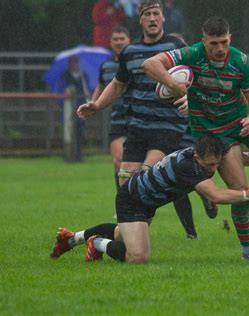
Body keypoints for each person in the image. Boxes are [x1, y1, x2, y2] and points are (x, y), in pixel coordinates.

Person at [143, 16, 249, 258]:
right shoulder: (192, 54)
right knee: (240, 191)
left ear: (231, 39)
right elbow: (150, 64)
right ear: (203, 41)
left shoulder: (240, 61)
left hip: (244, 121)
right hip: (213, 133)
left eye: (224, 42)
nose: (220, 49)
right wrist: (173, 84)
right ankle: (248, 251)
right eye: (214, 43)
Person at [78, 0, 204, 239]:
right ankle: (121, 238)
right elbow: (117, 84)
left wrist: (191, 97)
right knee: (126, 184)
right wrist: (97, 105)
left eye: (157, 13)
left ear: (163, 18)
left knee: (146, 180)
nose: (153, 18)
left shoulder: (176, 46)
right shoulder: (130, 52)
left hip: (167, 128)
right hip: (137, 129)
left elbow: (195, 75)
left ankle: (130, 241)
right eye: (148, 14)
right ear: (141, 19)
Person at [50, 136, 249, 263]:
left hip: (147, 202)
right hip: (132, 201)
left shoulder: (202, 158)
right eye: (210, 165)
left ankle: (71, 238)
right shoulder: (188, 166)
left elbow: (245, 158)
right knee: (137, 257)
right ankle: (96, 243)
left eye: (217, 164)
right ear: (197, 157)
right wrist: (247, 194)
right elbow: (215, 195)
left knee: (119, 235)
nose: (214, 169)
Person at [91, 26, 132, 190]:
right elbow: (101, 86)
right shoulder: (105, 66)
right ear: (110, 42)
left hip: (138, 117)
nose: (119, 42)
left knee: (138, 165)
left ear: (129, 40)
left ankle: (137, 199)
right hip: (118, 118)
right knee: (118, 160)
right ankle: (122, 202)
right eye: (115, 39)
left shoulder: (135, 61)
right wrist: (93, 105)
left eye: (122, 39)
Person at [58, 56, 91, 161]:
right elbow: (62, 88)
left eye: (76, 62)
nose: (74, 64)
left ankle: (78, 155)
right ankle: (68, 155)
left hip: (80, 106)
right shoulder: (65, 75)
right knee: (69, 130)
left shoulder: (83, 75)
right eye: (72, 62)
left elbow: (87, 88)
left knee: (80, 130)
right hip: (69, 107)